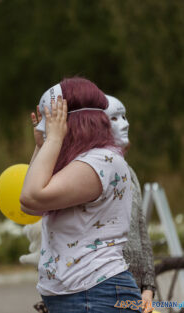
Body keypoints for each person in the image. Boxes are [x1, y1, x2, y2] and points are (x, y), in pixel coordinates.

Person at [20, 77, 142, 313]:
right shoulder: (83, 163)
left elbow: (31, 196)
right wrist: (41, 146)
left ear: (71, 123)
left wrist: (53, 140)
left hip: (96, 295)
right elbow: (32, 207)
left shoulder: (101, 161)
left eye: (56, 123)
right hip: (81, 295)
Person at [105, 95, 156, 305]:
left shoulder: (130, 172)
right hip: (106, 287)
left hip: (135, 290)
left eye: (124, 116)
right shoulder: (90, 172)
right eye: (114, 118)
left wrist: (149, 286)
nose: (125, 124)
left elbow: (141, 230)